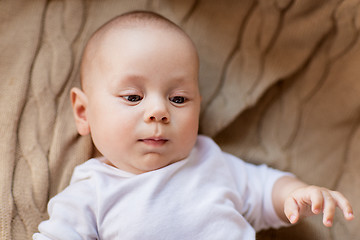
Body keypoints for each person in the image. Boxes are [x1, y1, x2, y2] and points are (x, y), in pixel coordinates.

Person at [33, 10, 354, 239]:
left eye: (179, 99)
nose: (158, 112)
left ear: (198, 107)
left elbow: (267, 188)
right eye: (133, 97)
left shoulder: (211, 161)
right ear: (83, 112)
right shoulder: (91, 192)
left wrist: (298, 195)